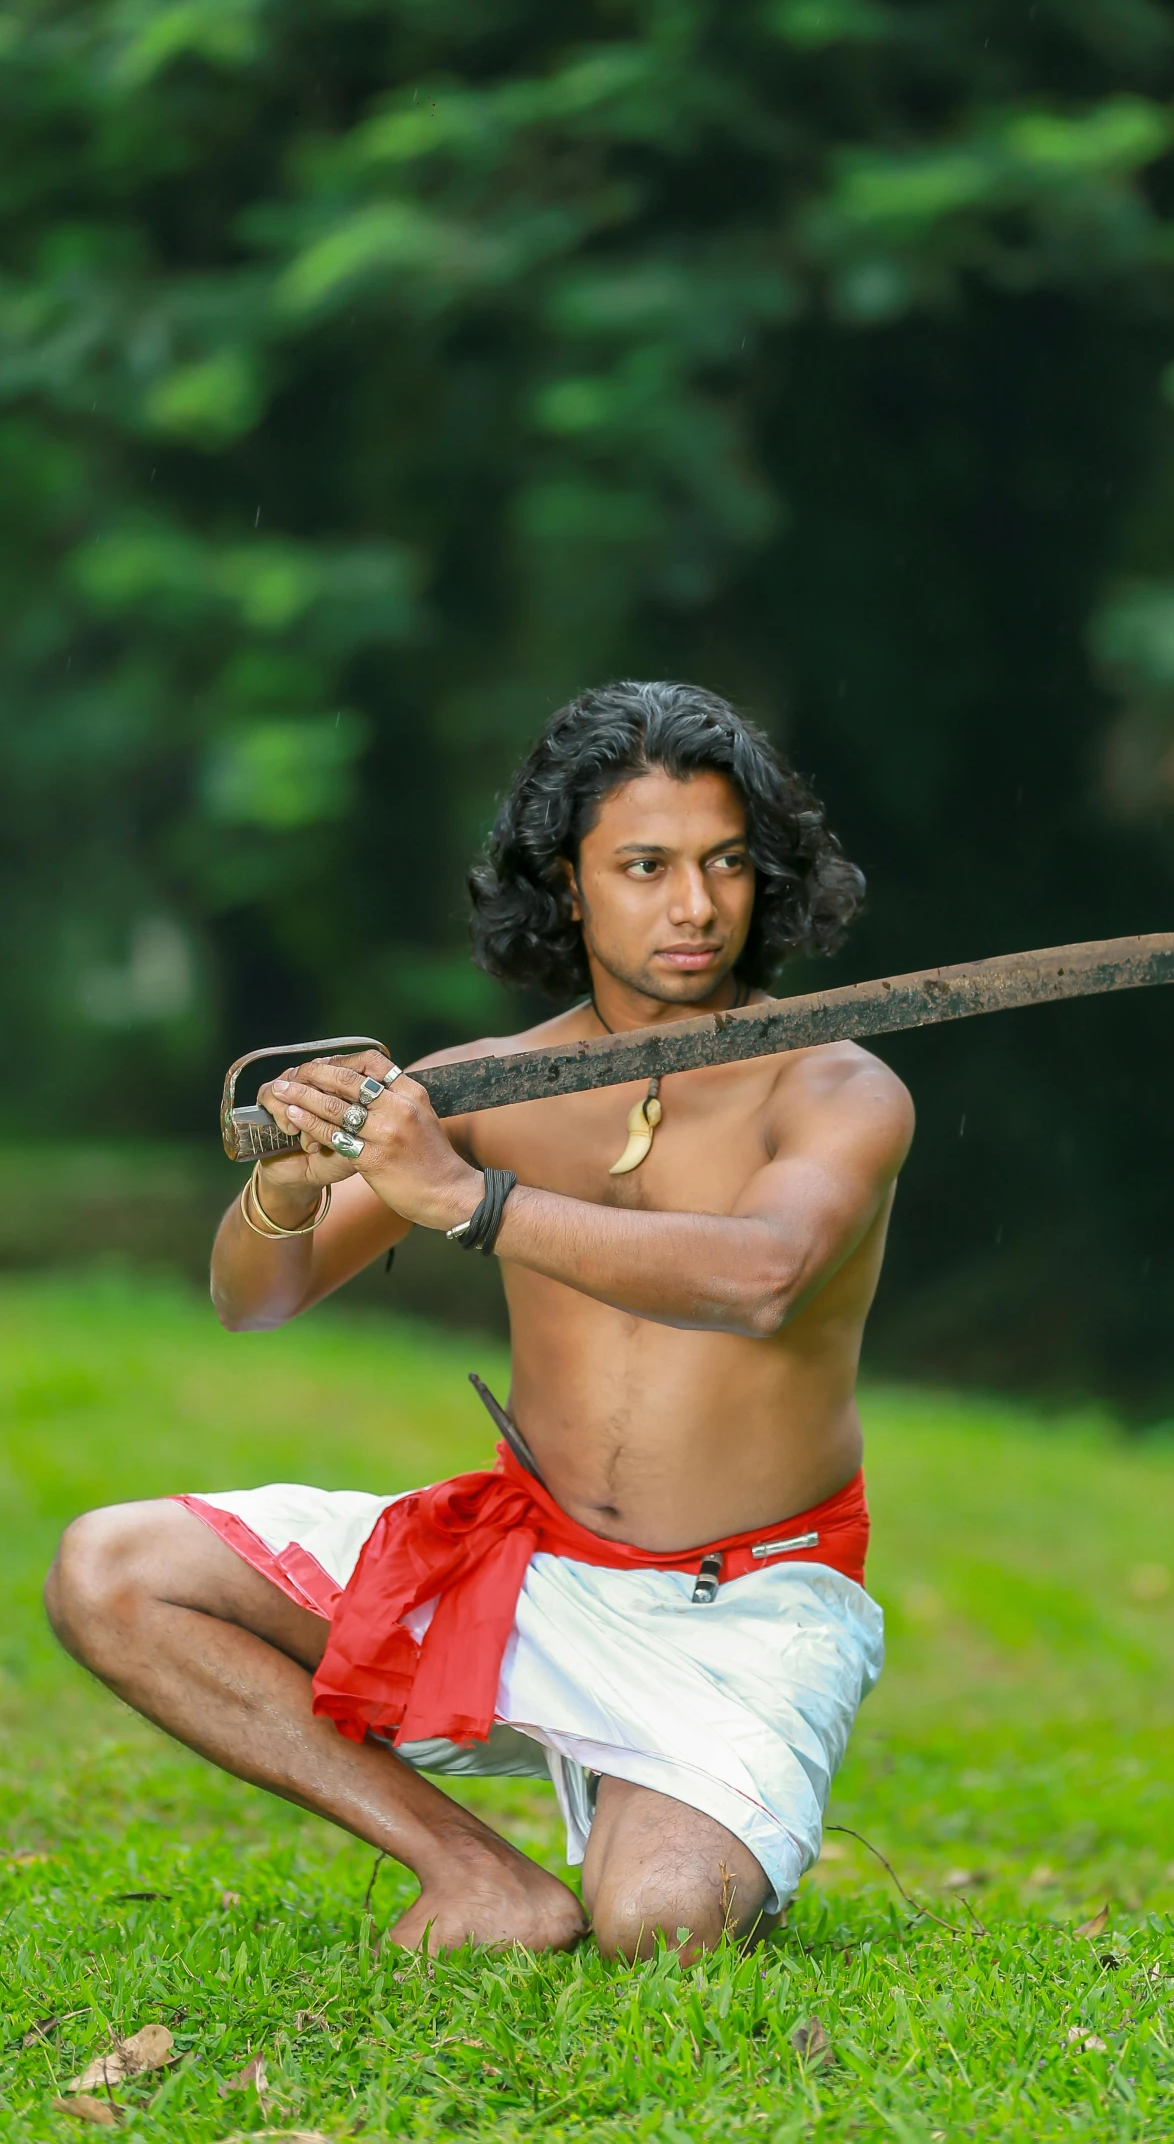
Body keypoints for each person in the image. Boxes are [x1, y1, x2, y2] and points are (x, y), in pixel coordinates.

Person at [45, 681, 914, 1960]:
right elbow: (255, 1299)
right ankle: (479, 1876)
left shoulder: (836, 1083)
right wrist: (286, 1183)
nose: (694, 906)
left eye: (726, 863)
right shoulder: (482, 1087)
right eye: (645, 865)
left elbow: (760, 1275)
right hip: (528, 1574)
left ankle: (656, 1798)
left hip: (750, 1602)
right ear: (566, 881)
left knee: (660, 1926)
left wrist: (466, 1198)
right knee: (110, 1571)